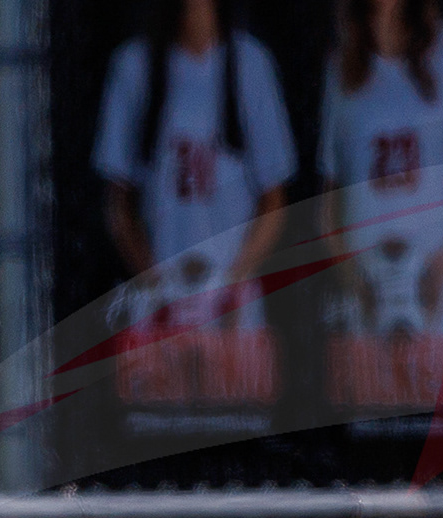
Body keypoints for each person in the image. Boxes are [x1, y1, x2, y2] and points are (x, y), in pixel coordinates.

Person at [94, 0, 297, 338]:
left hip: (233, 318)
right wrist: (155, 283)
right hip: (159, 314)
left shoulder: (251, 64)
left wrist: (233, 283)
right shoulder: (133, 65)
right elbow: (119, 204)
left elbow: (274, 201)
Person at [314, 0, 443, 341]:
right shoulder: (343, 62)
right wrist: (355, 280)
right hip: (365, 321)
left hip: (433, 317)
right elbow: (329, 212)